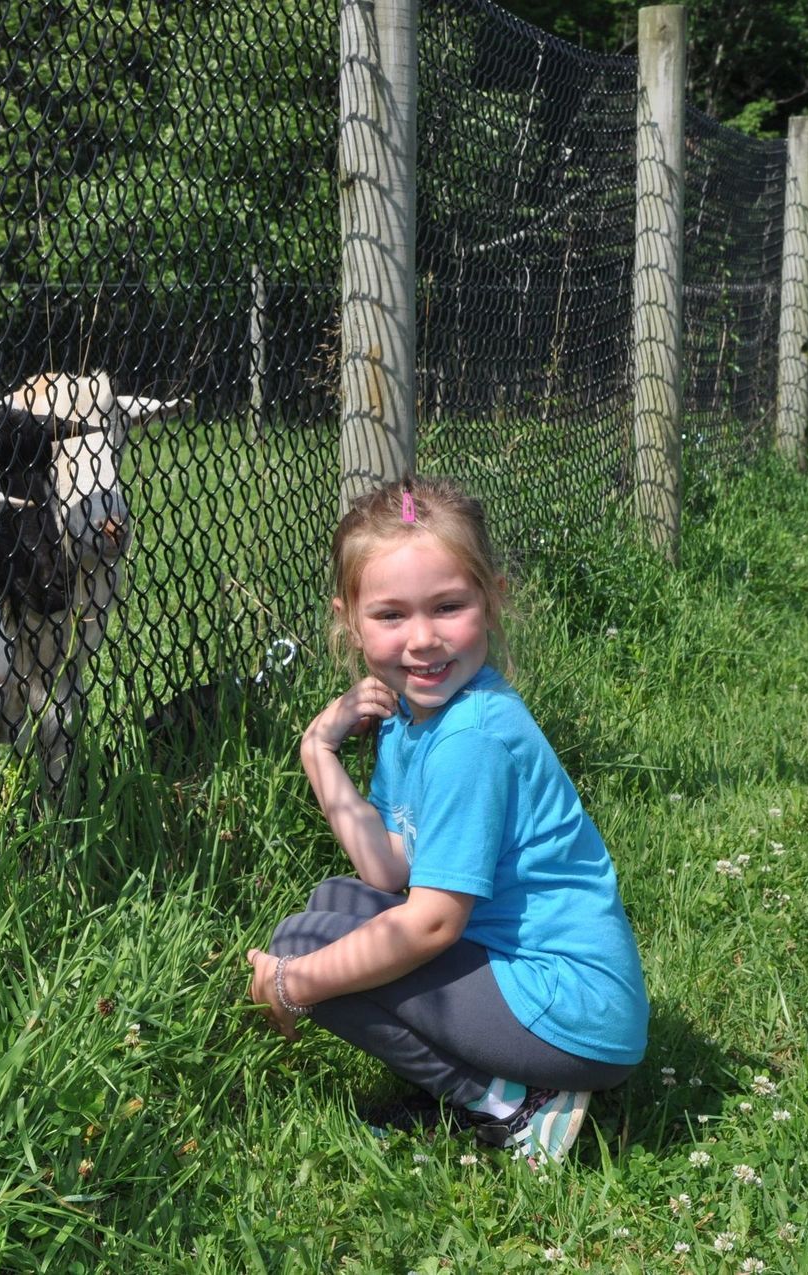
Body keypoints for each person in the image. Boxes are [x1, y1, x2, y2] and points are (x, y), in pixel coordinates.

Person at [246, 477, 647, 1162]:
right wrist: (319, 750)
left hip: (573, 1013)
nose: (424, 639)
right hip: (535, 991)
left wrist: (296, 983)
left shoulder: (471, 738)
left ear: (491, 600)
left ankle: (512, 1103)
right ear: (350, 620)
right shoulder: (413, 716)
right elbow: (386, 868)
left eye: (448, 606)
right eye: (391, 614)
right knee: (332, 905)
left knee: (314, 955)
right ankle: (491, 1085)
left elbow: (431, 921)